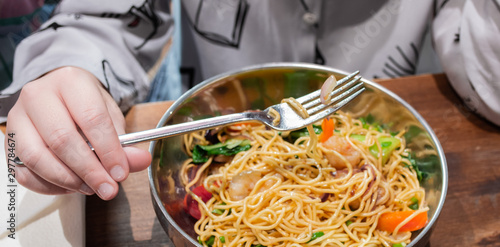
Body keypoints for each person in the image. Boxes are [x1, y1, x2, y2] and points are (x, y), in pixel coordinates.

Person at [1, 0, 499, 200]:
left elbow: (490, 88)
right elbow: (101, 18)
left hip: (387, 121)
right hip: (214, 130)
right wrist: (64, 75)